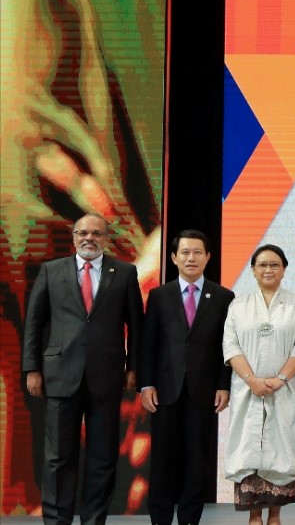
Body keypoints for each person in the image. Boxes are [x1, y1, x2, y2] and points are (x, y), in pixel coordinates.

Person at [21, 213, 143, 525]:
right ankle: (57, 521)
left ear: (106, 238)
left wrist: (134, 368)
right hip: (60, 375)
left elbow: (137, 327)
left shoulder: (126, 273)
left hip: (107, 377)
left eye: (96, 234)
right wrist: (32, 369)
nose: (89, 238)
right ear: (74, 237)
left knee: (102, 458)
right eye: (83, 233)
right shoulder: (51, 271)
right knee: (58, 457)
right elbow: (34, 324)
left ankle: (93, 521)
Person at [139, 229, 237, 525]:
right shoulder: (159, 295)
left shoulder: (223, 296)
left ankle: (191, 519)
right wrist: (146, 383)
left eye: (197, 252)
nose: (191, 258)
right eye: (185, 252)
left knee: (197, 460)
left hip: (204, 390)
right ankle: (160, 518)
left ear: (208, 257)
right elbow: (148, 344)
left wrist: (224, 385)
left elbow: (227, 345)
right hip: (165, 390)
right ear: (173, 258)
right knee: (163, 460)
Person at [222, 244, 295, 525]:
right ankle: (253, 516)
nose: (268, 269)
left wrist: (280, 379)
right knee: (248, 445)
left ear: (284, 269)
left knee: (279, 446)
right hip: (247, 390)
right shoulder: (238, 305)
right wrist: (252, 380)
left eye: (274, 265)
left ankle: (275, 515)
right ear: (253, 270)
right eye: (262, 265)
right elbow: (230, 345)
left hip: (282, 390)